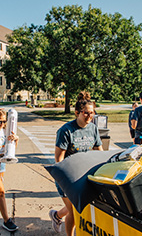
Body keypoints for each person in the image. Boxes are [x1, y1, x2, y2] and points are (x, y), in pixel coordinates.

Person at [49, 91, 103, 235]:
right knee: (74, 210)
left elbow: (99, 152)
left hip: (84, 175)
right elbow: (58, 160)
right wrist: (64, 181)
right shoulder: (66, 131)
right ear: (77, 112)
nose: (90, 116)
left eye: (92, 113)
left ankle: (56, 215)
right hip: (67, 176)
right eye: (86, 113)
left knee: (80, 204)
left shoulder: (93, 128)